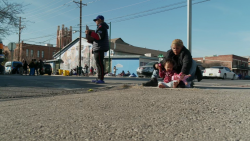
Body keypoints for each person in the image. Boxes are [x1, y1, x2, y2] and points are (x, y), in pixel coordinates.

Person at [85, 15, 109, 84]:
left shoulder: (102, 27)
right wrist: (91, 40)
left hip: (99, 48)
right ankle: (98, 78)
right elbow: (97, 39)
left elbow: (98, 37)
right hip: (97, 47)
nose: (95, 22)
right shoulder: (100, 27)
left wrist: (89, 33)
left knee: (100, 63)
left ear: (100, 20)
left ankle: (101, 79)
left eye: (96, 20)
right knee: (98, 64)